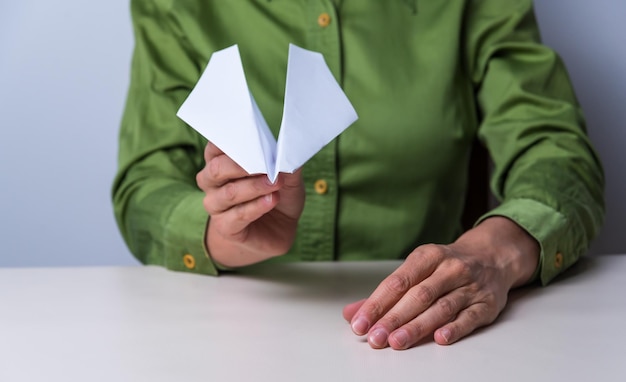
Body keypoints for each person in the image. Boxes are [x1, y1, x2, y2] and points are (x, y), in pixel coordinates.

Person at [113, 0, 605, 350]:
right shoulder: (173, 6)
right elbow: (145, 188)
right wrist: (224, 234)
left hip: (427, 351)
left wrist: (496, 252)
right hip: (231, 344)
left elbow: (555, 149)